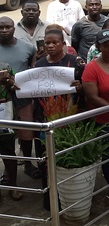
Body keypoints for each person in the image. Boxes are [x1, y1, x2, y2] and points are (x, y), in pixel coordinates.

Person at [34, 28, 85, 209]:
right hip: (44, 120)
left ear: (64, 44)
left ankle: (71, 196)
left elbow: (86, 87)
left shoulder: (75, 63)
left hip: (70, 121)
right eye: (47, 42)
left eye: (55, 42)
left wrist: (80, 87)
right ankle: (50, 199)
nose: (50, 45)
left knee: (68, 160)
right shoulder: (39, 65)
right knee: (46, 161)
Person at [82, 29, 109, 204]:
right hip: (105, 121)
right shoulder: (92, 68)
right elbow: (92, 97)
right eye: (105, 45)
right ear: (98, 47)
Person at [0, 17, 38, 179]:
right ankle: (9, 170)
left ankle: (28, 163)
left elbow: (33, 69)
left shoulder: (28, 47)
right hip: (1, 100)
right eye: (0, 27)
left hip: (22, 97)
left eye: (8, 27)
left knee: (26, 133)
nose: (4, 30)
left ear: (14, 29)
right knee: (4, 136)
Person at [0, 64, 23, 202]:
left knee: (8, 153)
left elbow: (17, 88)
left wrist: (8, 82)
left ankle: (13, 186)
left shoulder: (6, 67)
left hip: (5, 114)